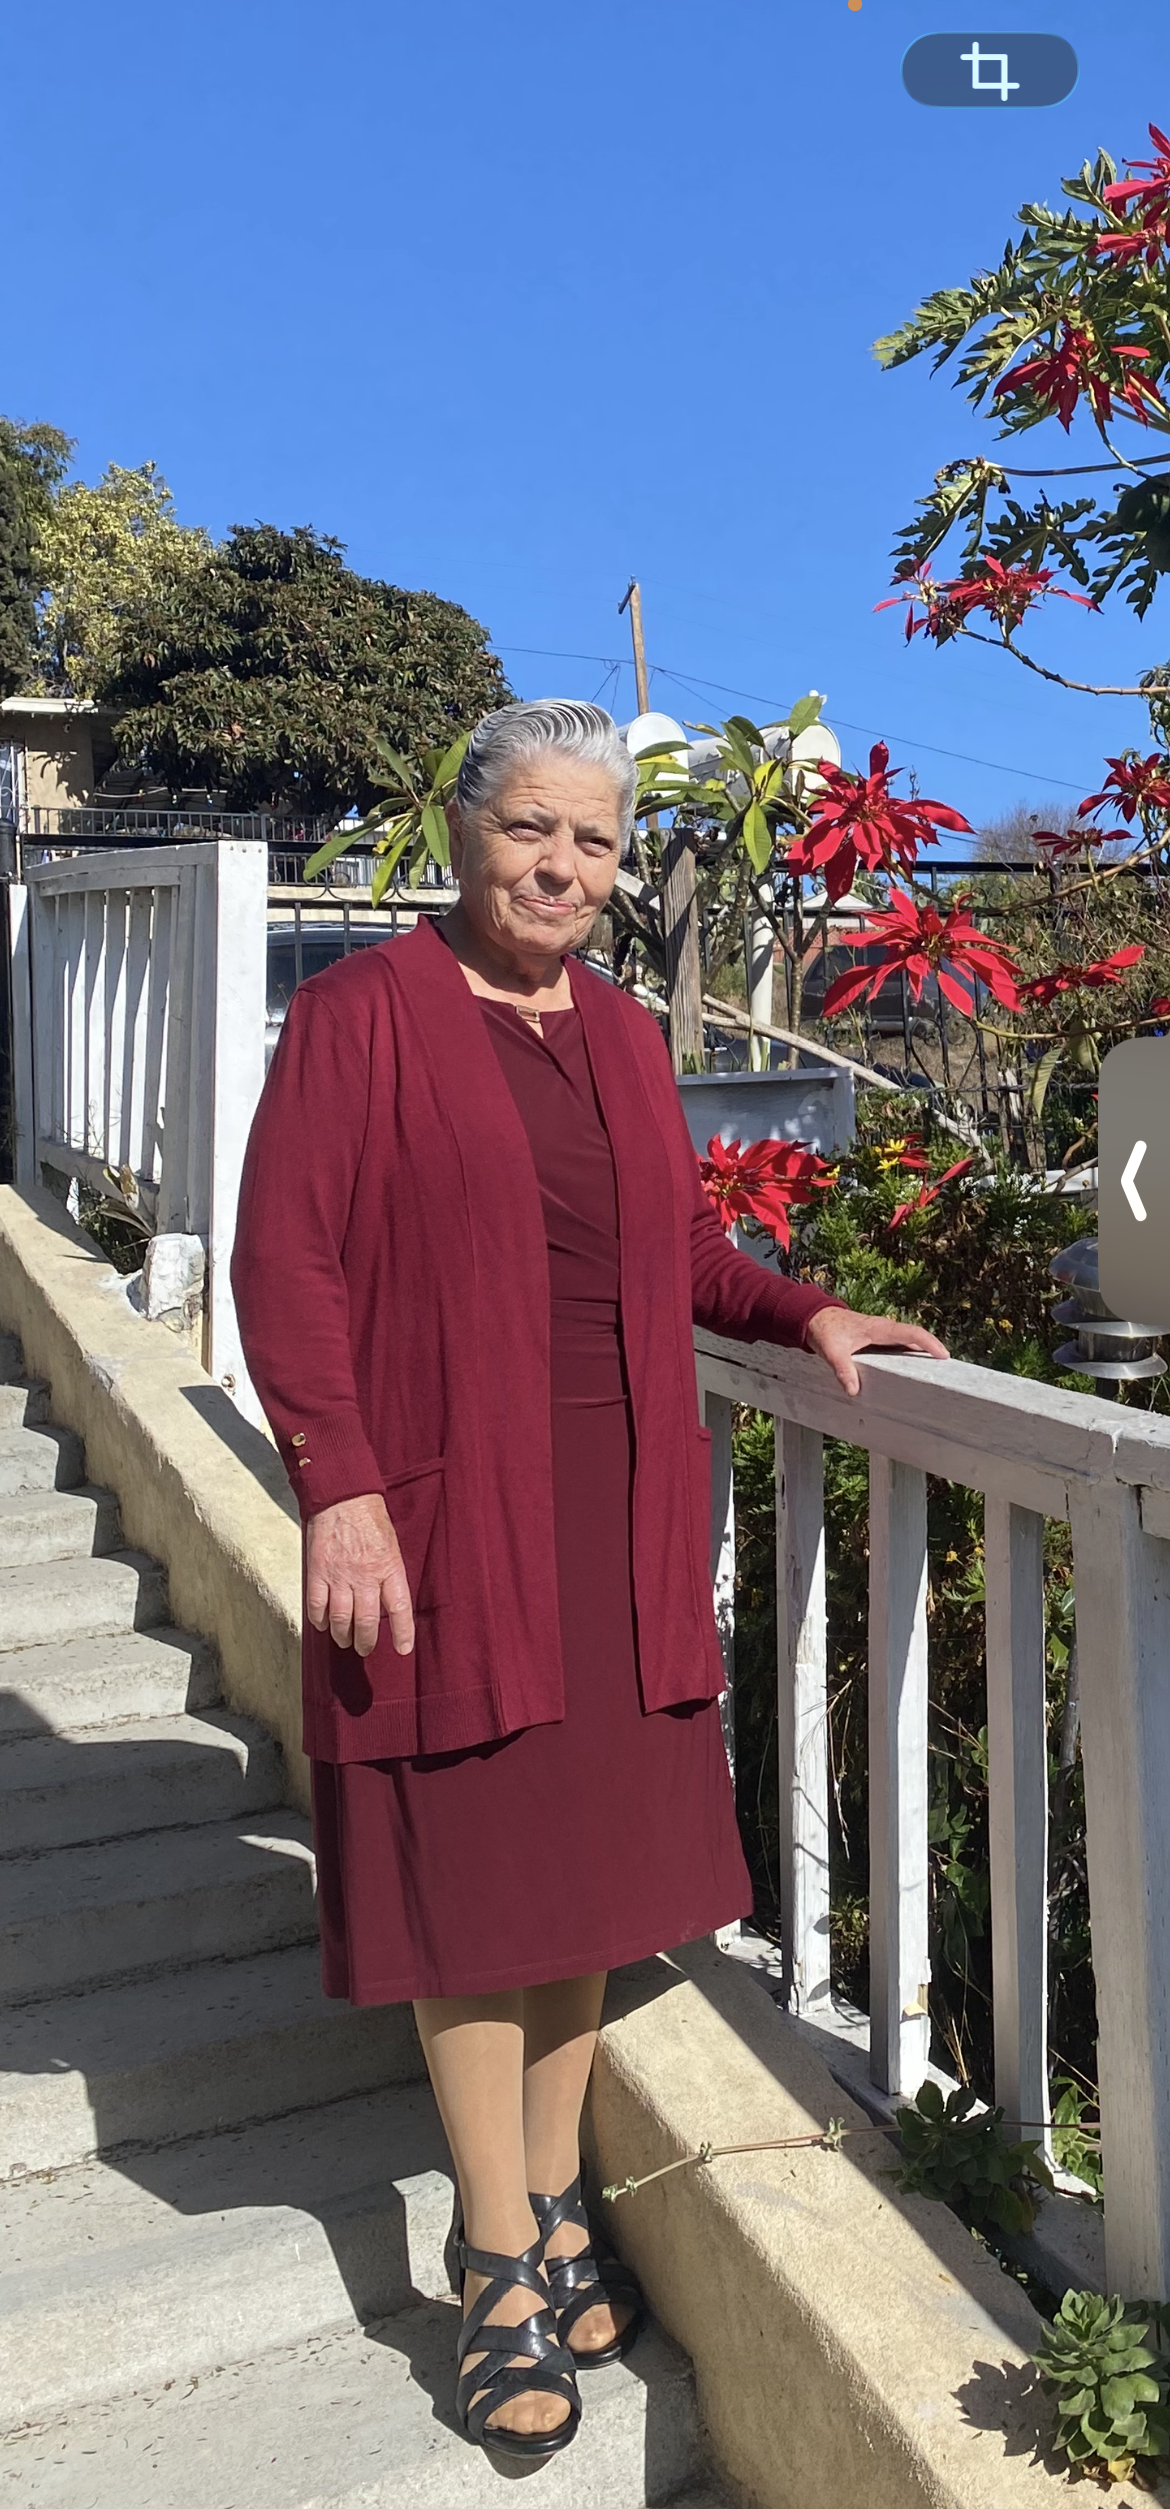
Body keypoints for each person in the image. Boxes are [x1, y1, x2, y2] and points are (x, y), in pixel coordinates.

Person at [231, 699, 946, 2462]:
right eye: (529, 829)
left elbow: (678, 1245)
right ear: (462, 830)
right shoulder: (363, 1015)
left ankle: (552, 2198)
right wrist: (339, 1488)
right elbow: (284, 1259)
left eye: (594, 842)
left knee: (572, 1888)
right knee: (476, 1884)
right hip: (441, 1501)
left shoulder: (622, 1032)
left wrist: (804, 1308)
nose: (559, 867)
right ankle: (494, 2256)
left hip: (610, 1511)